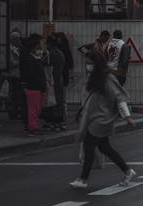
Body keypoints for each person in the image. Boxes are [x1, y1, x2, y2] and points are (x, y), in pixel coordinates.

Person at [70, 50, 137, 189]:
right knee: (104, 147)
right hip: (96, 118)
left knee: (89, 146)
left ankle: (83, 179)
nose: (86, 65)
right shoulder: (95, 77)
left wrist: (127, 117)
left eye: (89, 62)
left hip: (101, 119)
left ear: (96, 63)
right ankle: (127, 171)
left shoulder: (107, 78)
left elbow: (119, 97)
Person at [20, 34, 48, 135]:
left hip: (35, 86)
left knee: (36, 107)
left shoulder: (33, 56)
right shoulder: (30, 57)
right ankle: (32, 126)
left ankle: (33, 125)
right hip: (33, 86)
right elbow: (33, 73)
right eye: (41, 43)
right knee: (33, 107)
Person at [46, 35, 67, 132]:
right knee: (60, 101)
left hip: (52, 80)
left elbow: (47, 67)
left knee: (52, 102)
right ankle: (60, 123)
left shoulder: (50, 54)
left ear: (49, 44)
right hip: (59, 79)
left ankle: (54, 122)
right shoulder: (61, 53)